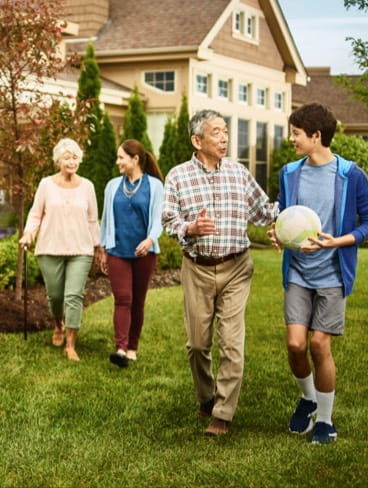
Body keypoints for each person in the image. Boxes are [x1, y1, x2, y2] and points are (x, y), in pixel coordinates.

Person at [162, 109, 279, 436]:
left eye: (226, 131)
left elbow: (264, 211)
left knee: (231, 342)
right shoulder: (178, 176)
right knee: (198, 344)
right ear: (197, 140)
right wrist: (191, 228)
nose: (225, 138)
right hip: (198, 269)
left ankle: (223, 413)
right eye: (216, 132)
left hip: (237, 267)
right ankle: (206, 395)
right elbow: (169, 221)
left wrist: (291, 215)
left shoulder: (239, 173)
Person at [269, 103, 368, 444]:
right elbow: (284, 213)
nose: (291, 139)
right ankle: (308, 399)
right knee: (296, 345)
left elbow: (367, 223)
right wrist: (276, 232)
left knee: (319, 344)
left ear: (316, 136)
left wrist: (336, 242)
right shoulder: (289, 172)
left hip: (332, 273)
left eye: (296, 134)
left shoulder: (351, 175)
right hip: (298, 271)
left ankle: (325, 421)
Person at [19, 138, 100, 361]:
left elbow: (93, 220)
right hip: (49, 248)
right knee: (55, 296)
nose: (71, 161)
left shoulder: (88, 186)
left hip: (80, 249)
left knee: (73, 296)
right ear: (58, 161)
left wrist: (98, 247)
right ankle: (58, 325)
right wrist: (28, 233)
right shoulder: (46, 184)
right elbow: (36, 214)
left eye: (75, 157)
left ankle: (71, 345)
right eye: (67, 157)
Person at [100, 139, 164, 368]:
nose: (117, 161)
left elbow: (158, 219)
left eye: (121, 157)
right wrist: (102, 248)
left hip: (144, 253)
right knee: (123, 299)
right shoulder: (112, 185)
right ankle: (120, 348)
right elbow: (106, 218)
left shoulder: (155, 186)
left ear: (135, 159)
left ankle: (132, 348)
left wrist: (150, 239)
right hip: (118, 250)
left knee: (138, 301)